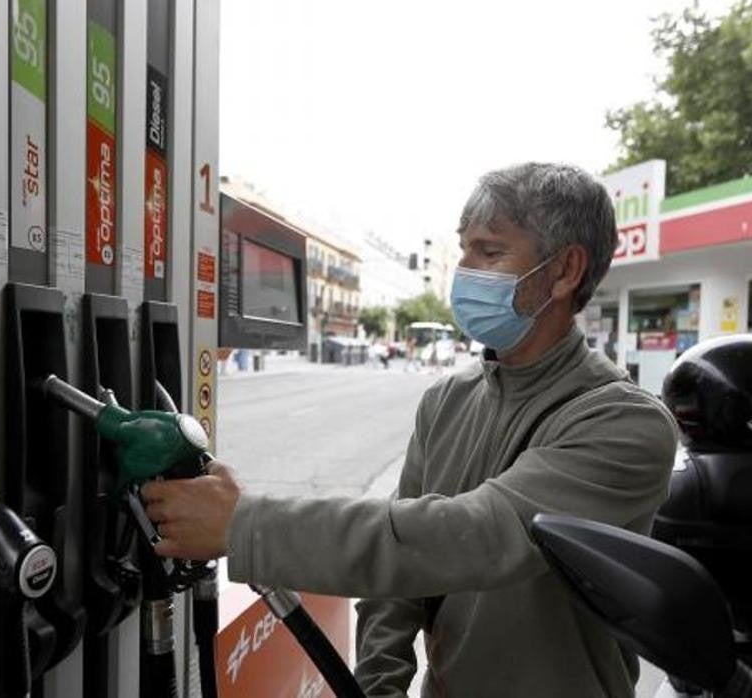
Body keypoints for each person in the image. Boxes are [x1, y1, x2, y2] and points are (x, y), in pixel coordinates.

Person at [142, 163, 679, 697]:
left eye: (489, 252)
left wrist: (246, 524)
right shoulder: (447, 401)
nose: (463, 269)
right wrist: (379, 685)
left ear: (564, 271)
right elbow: (397, 587)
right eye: (463, 248)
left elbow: (471, 535)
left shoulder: (625, 424)